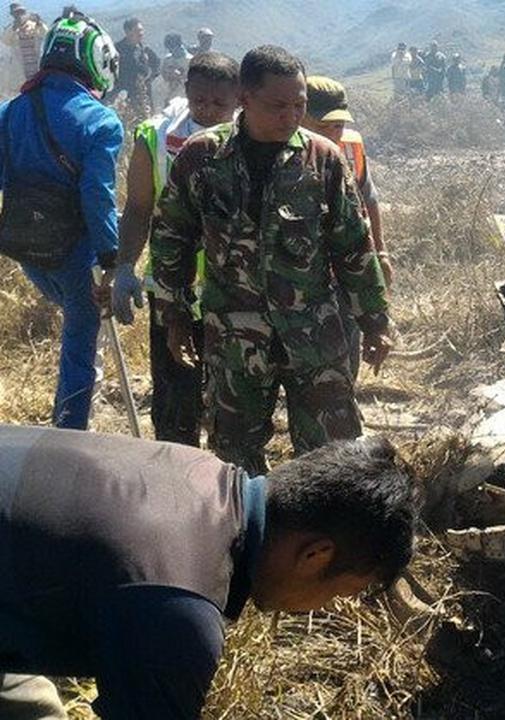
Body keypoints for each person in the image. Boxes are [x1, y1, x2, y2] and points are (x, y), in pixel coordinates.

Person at [0, 427, 418, 719]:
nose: (320, 609)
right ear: (315, 556)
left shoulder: (201, 471)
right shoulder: (178, 607)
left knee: (30, 705)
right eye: (339, 594)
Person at [150, 45, 394, 476]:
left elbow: (354, 246)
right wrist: (175, 316)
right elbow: (172, 236)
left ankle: (320, 537)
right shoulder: (202, 157)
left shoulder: (323, 160)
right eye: (277, 105)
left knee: (332, 458)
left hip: (314, 337)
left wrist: (375, 320)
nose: (291, 116)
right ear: (245, 99)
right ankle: (251, 537)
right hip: (234, 341)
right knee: (233, 459)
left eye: (299, 104)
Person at [109, 52, 240, 447]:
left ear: (238, 99)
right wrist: (124, 267)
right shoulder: (156, 135)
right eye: (200, 100)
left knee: (232, 395)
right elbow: (137, 207)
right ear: (186, 91)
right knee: (175, 394)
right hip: (172, 289)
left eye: (220, 103)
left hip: (233, 289)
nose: (209, 110)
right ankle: (173, 476)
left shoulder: (250, 137)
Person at [0, 13, 124, 430]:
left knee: (73, 319)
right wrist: (113, 257)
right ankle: (70, 430)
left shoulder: (12, 110)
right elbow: (97, 196)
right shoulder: (100, 121)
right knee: (79, 345)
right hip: (76, 252)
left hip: (25, 246)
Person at [302, 75, 391, 381]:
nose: (333, 134)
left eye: (337, 126)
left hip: (345, 262)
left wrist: (380, 252)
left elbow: (369, 197)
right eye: (324, 126)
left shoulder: (351, 145)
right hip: (301, 268)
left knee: (346, 333)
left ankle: (344, 397)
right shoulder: (282, 147)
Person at [112, 17, 158, 121]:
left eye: (142, 30)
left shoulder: (144, 49)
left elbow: (156, 64)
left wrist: (149, 77)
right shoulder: (117, 50)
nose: (141, 33)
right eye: (137, 30)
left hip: (144, 97)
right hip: (125, 98)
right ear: (127, 32)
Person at [2, 4, 46, 92]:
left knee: (39, 88)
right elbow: (5, 41)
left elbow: (44, 33)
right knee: (22, 91)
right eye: (16, 13)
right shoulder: (11, 28)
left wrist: (40, 23)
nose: (19, 15)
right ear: (12, 15)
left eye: (21, 12)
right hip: (21, 68)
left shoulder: (34, 24)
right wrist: (14, 29)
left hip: (36, 65)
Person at [157, 32, 191, 106]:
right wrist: (169, 74)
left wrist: (180, 76)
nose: (171, 50)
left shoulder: (190, 60)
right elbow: (163, 76)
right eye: (169, 48)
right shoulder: (167, 60)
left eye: (172, 47)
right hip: (170, 96)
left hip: (185, 97)